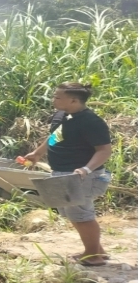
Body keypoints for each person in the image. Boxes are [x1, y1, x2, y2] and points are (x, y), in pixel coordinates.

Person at [23, 82, 112, 267]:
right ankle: (97, 250)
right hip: (62, 173)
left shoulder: (91, 122)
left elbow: (104, 150)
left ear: (73, 100)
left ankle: (93, 256)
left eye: (57, 97)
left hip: (81, 176)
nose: (53, 99)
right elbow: (56, 136)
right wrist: (38, 153)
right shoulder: (64, 115)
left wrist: (86, 169)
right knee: (72, 213)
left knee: (82, 215)